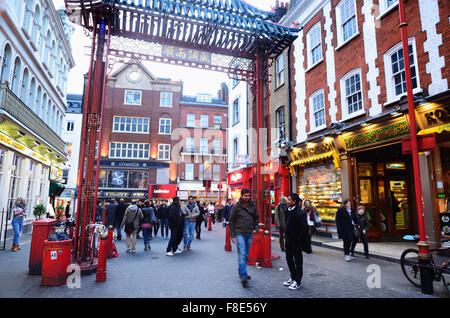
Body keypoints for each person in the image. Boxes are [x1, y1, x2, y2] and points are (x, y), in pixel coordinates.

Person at [229, 188, 259, 288]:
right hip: (239, 233)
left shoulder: (253, 205)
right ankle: (243, 276)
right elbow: (231, 221)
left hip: (250, 232)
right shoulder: (236, 207)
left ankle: (242, 271)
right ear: (241, 196)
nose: (247, 197)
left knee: (246, 255)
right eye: (245, 196)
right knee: (242, 254)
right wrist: (232, 235)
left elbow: (256, 217)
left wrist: (256, 228)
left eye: (248, 195)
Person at [282, 193, 309, 290]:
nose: (287, 201)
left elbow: (304, 229)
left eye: (289, 200)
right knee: (289, 259)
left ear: (294, 201)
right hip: (288, 239)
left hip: (296, 241)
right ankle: (293, 277)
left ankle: (298, 281)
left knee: (298, 261)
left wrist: (298, 239)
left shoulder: (300, 213)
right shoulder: (287, 210)